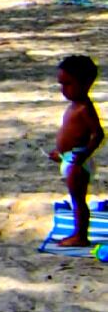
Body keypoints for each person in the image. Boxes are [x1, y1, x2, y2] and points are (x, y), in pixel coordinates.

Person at [45, 54, 102, 249]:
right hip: (70, 158)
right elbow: (72, 135)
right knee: (75, 198)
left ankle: (80, 235)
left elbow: (98, 134)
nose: (63, 90)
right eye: (61, 84)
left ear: (86, 83)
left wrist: (85, 154)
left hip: (78, 161)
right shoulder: (74, 106)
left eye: (68, 84)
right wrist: (60, 155)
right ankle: (78, 233)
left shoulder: (85, 108)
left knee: (78, 201)